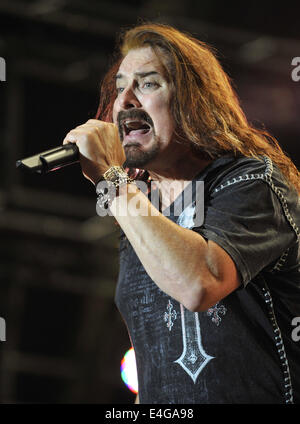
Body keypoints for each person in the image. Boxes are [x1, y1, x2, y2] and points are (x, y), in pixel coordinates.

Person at [63, 23, 300, 404]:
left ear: (195, 101)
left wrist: (112, 182)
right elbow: (155, 364)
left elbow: (199, 283)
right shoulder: (142, 213)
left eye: (148, 83)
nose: (124, 101)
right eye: (120, 86)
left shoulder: (252, 183)